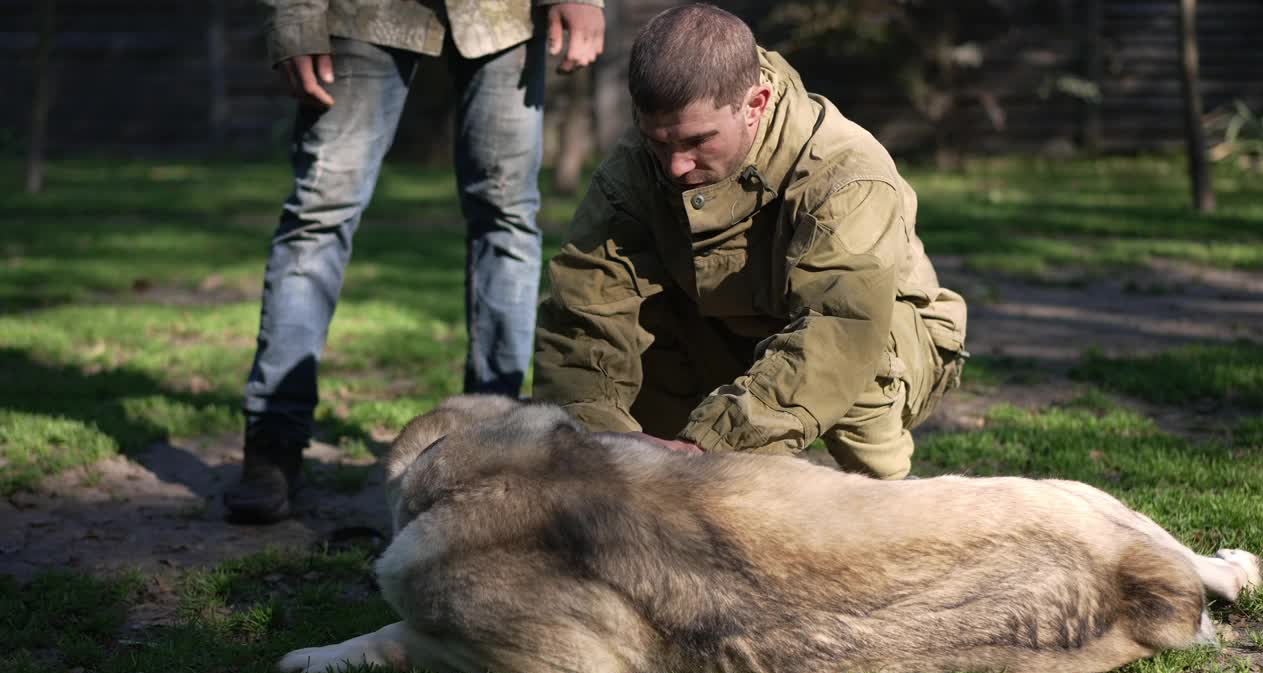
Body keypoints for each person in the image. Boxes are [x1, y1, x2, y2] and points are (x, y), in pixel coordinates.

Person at [533, 4, 967, 479]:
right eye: (659, 142)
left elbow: (839, 329)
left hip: (892, 343)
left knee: (852, 355)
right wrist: (598, 454)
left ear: (755, 104)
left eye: (698, 141)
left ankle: (890, 499)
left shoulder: (844, 170)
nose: (675, 165)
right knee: (638, 348)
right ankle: (660, 503)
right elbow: (584, 319)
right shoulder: (633, 170)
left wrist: (708, 447)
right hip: (726, 334)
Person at [225, 0, 606, 523]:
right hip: (362, 12)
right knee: (319, 213)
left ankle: (492, 447)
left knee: (508, 220)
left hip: (505, 17)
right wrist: (293, 16)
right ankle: (272, 444)